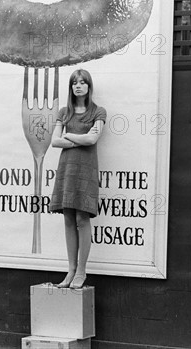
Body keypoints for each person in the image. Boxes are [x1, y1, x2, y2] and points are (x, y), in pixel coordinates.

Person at [50, 69, 106, 289]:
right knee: (68, 219)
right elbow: (54, 141)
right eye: (74, 83)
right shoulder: (64, 112)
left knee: (83, 219)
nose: (78, 86)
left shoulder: (98, 111)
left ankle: (82, 271)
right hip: (67, 169)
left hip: (86, 170)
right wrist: (77, 140)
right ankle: (70, 270)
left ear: (89, 87)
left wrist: (70, 136)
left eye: (82, 82)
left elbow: (93, 138)